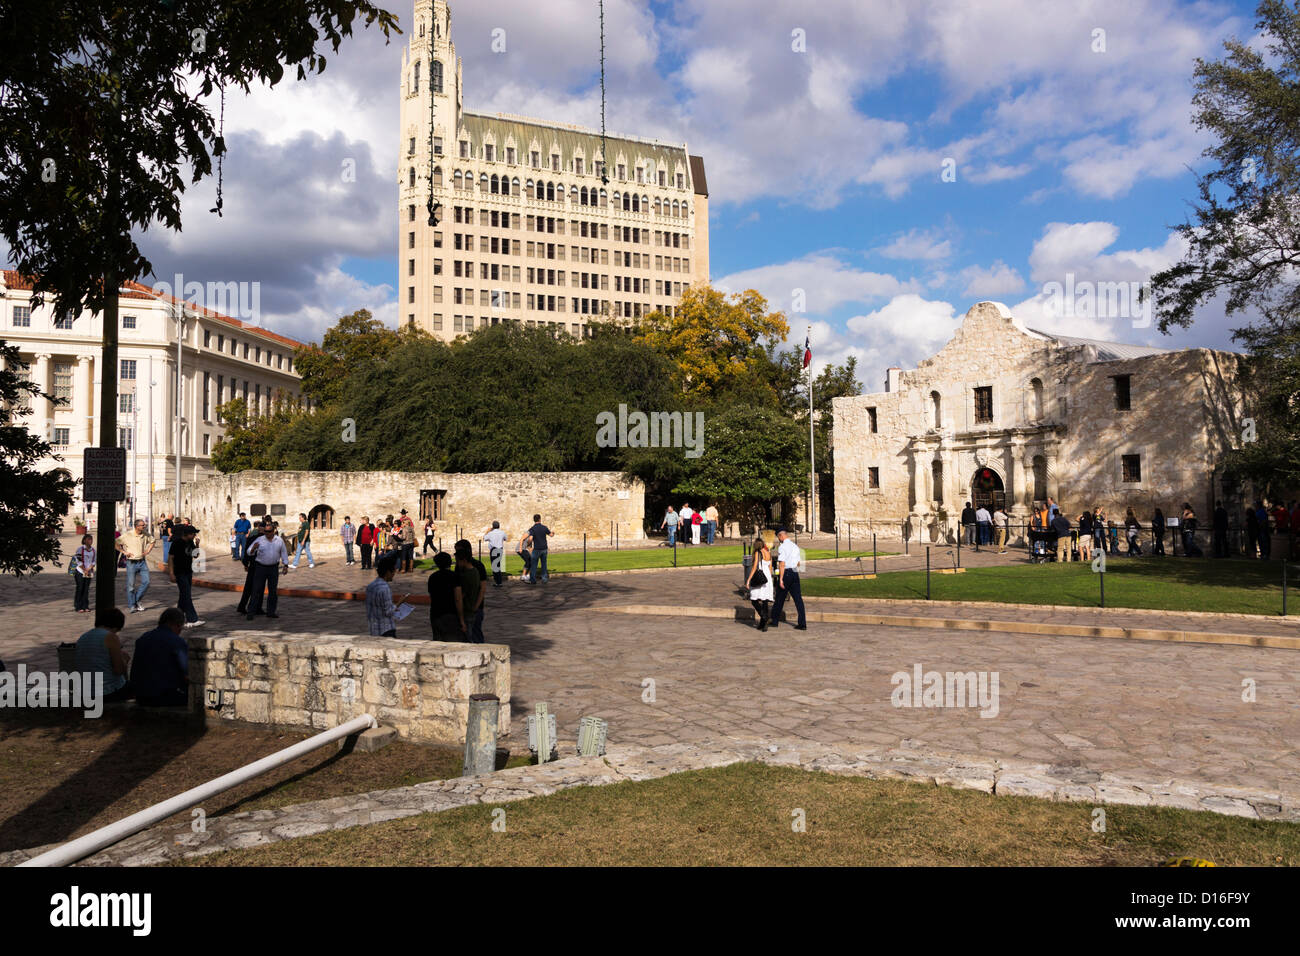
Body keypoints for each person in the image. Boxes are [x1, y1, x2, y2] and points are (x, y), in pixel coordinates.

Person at [131, 608, 190, 707]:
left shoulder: (143, 638)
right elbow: (187, 672)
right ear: (176, 625)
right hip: (163, 695)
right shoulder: (177, 642)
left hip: (141, 694)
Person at [75, 607, 132, 703]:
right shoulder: (110, 637)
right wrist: (125, 660)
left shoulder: (83, 637)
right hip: (106, 692)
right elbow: (119, 670)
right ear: (115, 627)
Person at [246, 523, 290, 620]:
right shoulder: (260, 540)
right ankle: (251, 612)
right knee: (256, 590)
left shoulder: (279, 541)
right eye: (265, 531)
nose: (267, 533)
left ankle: (271, 612)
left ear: (273, 531)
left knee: (273, 591)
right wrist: (253, 548)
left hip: (273, 568)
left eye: (269, 531)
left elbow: (283, 552)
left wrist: (285, 565)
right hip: (260, 568)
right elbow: (249, 551)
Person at [166, 523, 205, 627]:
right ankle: (192, 619)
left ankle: (177, 619)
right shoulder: (177, 543)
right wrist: (171, 573)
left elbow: (195, 555)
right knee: (187, 595)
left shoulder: (190, 542)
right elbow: (170, 558)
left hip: (188, 572)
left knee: (184, 596)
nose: (195, 536)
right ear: (188, 534)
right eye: (193, 534)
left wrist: (197, 545)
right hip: (179, 572)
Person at [115, 517, 156, 612]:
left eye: (144, 525)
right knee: (131, 586)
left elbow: (153, 541)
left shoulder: (146, 534)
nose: (144, 526)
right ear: (137, 527)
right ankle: (132, 605)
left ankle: (136, 600)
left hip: (142, 562)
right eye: (142, 525)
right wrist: (123, 552)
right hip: (131, 563)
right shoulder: (127, 535)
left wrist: (147, 551)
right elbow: (116, 543)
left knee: (147, 582)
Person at [770, 528, 807, 630]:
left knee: (779, 598)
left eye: (778, 537)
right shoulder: (795, 546)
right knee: (798, 599)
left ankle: (774, 620)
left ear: (781, 536)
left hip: (786, 573)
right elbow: (799, 563)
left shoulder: (782, 547)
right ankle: (802, 623)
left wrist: (781, 579)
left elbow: (782, 564)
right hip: (795, 572)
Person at [365, 554, 409, 638]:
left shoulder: (370, 586)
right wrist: (400, 602)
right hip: (386, 629)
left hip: (374, 629)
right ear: (388, 572)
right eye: (393, 572)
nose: (393, 574)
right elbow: (388, 612)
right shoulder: (385, 588)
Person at [236, 518, 270, 615]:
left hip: (254, 565)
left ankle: (243, 606)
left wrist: (245, 564)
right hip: (258, 565)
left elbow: (245, 555)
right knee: (258, 587)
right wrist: (246, 564)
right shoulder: (264, 540)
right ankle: (255, 607)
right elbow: (247, 553)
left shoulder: (251, 538)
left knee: (250, 587)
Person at [427, 551, 463, 640]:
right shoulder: (454, 576)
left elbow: (431, 594)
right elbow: (458, 598)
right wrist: (462, 619)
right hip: (450, 613)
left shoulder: (432, 577)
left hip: (436, 613)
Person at [455, 539, 486, 644]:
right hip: (464, 607)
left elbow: (482, 588)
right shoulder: (459, 566)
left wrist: (476, 606)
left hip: (474, 606)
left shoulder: (478, 566)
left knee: (475, 635)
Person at [746, 535, 774, 630]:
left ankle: (764, 617)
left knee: (754, 599)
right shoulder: (768, 552)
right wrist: (769, 578)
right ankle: (762, 624)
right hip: (767, 577)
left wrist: (748, 579)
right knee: (765, 600)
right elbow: (770, 568)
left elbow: (754, 567)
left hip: (760, 576)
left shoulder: (758, 552)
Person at [72, 533, 95, 612]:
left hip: (88, 572)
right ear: (84, 540)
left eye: (91, 539)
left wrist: (89, 569)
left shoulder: (93, 550)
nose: (90, 541)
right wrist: (84, 569)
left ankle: (85, 606)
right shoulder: (80, 549)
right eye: (88, 539)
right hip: (80, 571)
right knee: (80, 588)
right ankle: (78, 606)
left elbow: (94, 561)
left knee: (86, 589)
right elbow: (78, 561)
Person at [527, 514, 552, 584]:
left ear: (534, 520)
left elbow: (530, 539)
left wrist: (529, 545)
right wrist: (553, 533)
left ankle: (533, 580)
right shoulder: (544, 527)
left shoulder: (532, 529)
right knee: (544, 564)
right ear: (540, 519)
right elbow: (551, 535)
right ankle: (544, 579)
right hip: (544, 548)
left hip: (537, 549)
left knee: (534, 565)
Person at [483, 521, 507, 587]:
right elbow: (506, 538)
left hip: (494, 549)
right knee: (497, 565)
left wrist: (487, 531)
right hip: (500, 549)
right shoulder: (502, 532)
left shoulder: (490, 533)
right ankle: (498, 581)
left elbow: (484, 538)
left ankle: (498, 582)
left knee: (495, 566)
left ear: (493, 526)